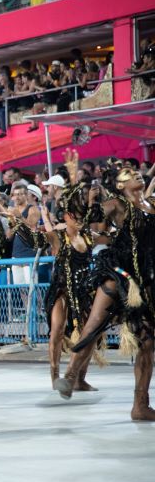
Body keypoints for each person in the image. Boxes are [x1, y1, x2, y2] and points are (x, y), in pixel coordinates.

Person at [56, 164, 155, 421]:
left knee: (147, 342)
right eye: (128, 174)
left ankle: (140, 405)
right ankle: (70, 377)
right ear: (119, 185)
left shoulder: (151, 204)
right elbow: (87, 216)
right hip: (116, 274)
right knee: (93, 326)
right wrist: (78, 191)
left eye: (136, 172)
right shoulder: (116, 203)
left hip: (142, 281)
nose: (135, 174)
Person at [5, 179, 105, 391]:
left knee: (90, 335)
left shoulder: (89, 236)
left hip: (83, 292)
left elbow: (112, 237)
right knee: (57, 331)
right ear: (66, 216)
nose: (77, 219)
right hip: (60, 290)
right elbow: (34, 240)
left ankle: (79, 378)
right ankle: (54, 377)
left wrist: (94, 200)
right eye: (73, 215)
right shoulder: (57, 236)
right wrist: (17, 221)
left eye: (80, 215)